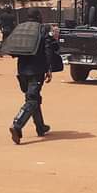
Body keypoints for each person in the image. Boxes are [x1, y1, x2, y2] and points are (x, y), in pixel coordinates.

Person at [9, 9, 58, 145]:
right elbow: (48, 50)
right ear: (38, 17)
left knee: (33, 98)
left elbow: (13, 49)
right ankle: (17, 124)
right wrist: (49, 68)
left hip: (22, 70)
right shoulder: (42, 30)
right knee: (32, 99)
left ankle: (40, 127)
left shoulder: (21, 29)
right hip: (36, 70)